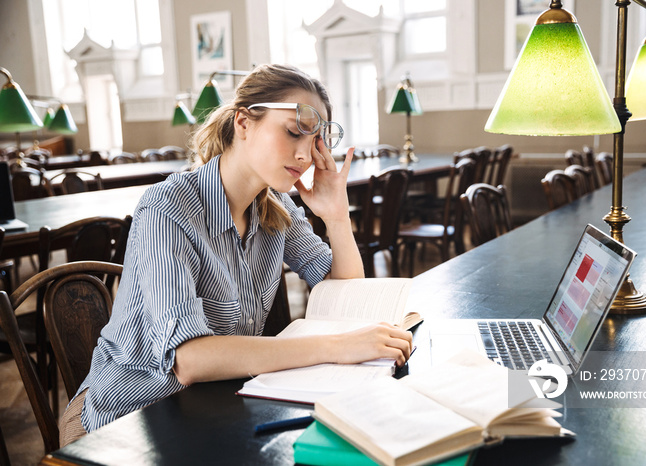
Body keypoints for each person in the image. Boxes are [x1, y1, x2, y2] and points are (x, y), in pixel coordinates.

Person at [58, 64, 413, 445]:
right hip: (123, 424)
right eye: (293, 132)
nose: (305, 154)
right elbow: (190, 360)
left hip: (213, 408)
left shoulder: (275, 205)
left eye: (315, 142)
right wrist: (337, 348)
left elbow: (345, 299)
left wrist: (337, 217)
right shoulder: (167, 209)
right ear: (243, 123)